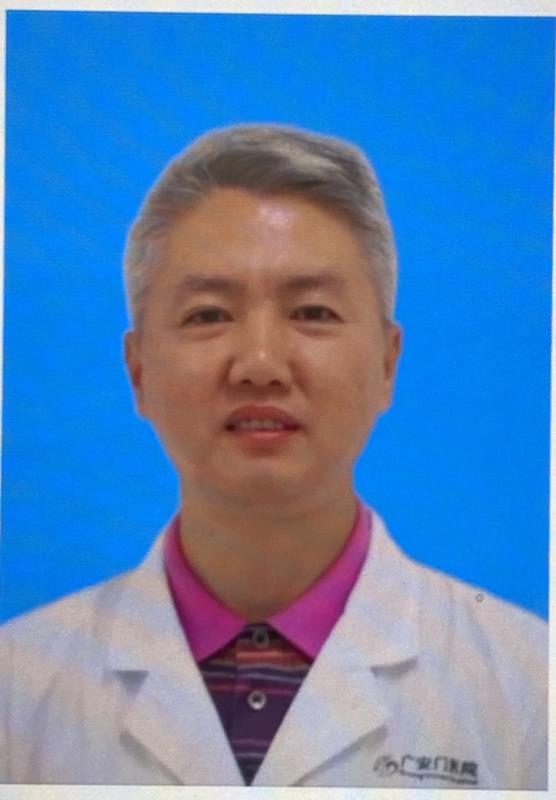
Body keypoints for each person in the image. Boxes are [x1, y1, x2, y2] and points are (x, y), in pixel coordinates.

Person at [0, 124, 547, 789]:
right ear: (138, 371)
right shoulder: (19, 690)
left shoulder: (528, 688)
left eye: (312, 312)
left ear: (387, 363)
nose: (260, 364)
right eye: (208, 315)